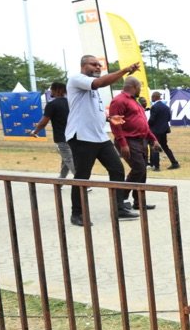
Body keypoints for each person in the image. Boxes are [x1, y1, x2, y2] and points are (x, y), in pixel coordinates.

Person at [65, 56, 141, 226]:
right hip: (82, 136)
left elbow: (91, 110)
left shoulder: (93, 89)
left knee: (117, 169)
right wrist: (124, 71)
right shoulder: (77, 79)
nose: (98, 67)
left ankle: (119, 208)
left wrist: (108, 118)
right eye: (94, 64)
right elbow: (99, 83)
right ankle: (77, 213)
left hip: (99, 137)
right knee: (83, 176)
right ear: (83, 65)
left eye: (99, 65)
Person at [109, 77, 161, 211]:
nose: (140, 90)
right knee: (139, 168)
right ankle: (121, 199)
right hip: (129, 140)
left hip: (141, 140)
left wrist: (153, 139)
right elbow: (115, 124)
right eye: (139, 87)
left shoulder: (135, 102)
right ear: (134, 86)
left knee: (142, 172)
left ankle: (139, 202)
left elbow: (144, 125)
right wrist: (123, 144)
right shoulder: (119, 101)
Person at [29, 82, 75, 178]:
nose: (50, 91)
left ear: (57, 90)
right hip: (73, 137)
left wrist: (35, 131)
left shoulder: (52, 104)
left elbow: (43, 122)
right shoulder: (71, 102)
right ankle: (60, 181)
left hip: (61, 138)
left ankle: (83, 182)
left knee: (69, 160)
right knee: (66, 160)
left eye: (52, 89)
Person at [148, 91, 179, 171]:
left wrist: (147, 125)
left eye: (152, 97)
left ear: (155, 97)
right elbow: (168, 118)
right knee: (165, 146)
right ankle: (174, 163)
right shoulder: (166, 107)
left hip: (155, 131)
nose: (151, 98)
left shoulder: (154, 107)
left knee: (155, 147)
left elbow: (152, 120)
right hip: (164, 130)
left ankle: (156, 166)